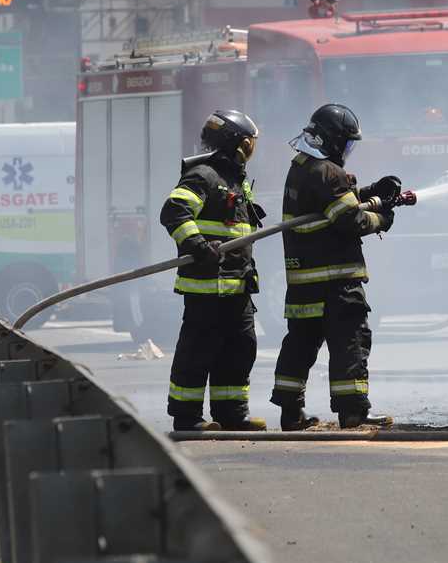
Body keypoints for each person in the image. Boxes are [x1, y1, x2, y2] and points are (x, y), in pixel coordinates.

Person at [270, 104, 400, 430]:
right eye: (346, 143)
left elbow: (329, 203)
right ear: (332, 140)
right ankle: (353, 411)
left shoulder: (301, 166)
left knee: (300, 344)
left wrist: (370, 191)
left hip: (303, 281)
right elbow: (349, 219)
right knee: (350, 342)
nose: (347, 151)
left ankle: (290, 413)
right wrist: (382, 218)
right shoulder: (328, 171)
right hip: (336, 280)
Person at [158, 109, 267, 433]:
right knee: (197, 352)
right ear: (237, 143)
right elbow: (174, 211)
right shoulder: (204, 175)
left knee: (240, 349)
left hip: (237, 285)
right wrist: (198, 246)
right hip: (207, 287)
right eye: (249, 144)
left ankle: (232, 414)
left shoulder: (235, 180)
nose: (251, 151)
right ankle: (187, 417)